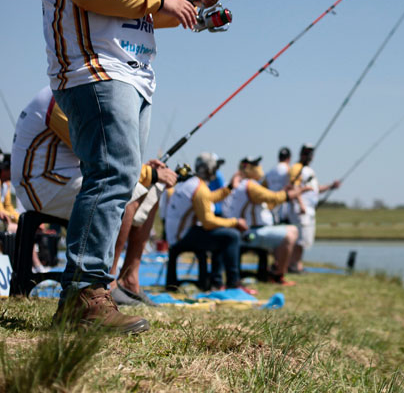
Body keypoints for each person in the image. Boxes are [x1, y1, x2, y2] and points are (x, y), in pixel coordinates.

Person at [39, 0, 228, 332]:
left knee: (119, 179)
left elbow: (134, 8)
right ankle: (83, 296)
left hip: (131, 74)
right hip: (93, 71)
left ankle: (87, 295)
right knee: (112, 176)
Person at [10, 86, 177, 304]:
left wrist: (147, 173)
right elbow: (98, 152)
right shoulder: (62, 98)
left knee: (152, 188)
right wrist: (151, 173)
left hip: (62, 181)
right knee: (123, 190)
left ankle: (130, 279)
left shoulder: (77, 93)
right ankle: (109, 281)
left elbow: (104, 156)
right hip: (42, 187)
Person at [163, 152, 251, 292]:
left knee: (220, 236)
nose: (216, 172)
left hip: (175, 235)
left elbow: (208, 198)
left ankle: (216, 282)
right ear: (209, 169)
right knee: (231, 236)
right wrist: (235, 222)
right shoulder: (200, 188)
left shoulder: (191, 183)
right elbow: (208, 222)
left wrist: (230, 187)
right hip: (182, 237)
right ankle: (233, 283)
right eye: (215, 169)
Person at [226, 156, 301, 285]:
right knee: (290, 234)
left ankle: (275, 270)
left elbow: (268, 203)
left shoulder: (248, 185)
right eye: (255, 165)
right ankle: (278, 275)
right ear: (247, 168)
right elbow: (275, 198)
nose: (259, 167)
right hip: (249, 233)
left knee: (290, 231)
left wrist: (283, 192)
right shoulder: (250, 186)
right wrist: (297, 192)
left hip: (252, 230)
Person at [286, 144, 340, 273]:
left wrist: (331, 186)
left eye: (310, 153)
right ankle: (293, 265)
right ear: (301, 154)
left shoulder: (310, 170)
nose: (308, 156)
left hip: (309, 210)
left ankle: (296, 264)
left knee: (305, 240)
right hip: (300, 210)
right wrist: (301, 205)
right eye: (306, 153)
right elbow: (294, 187)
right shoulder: (297, 168)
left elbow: (315, 189)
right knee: (299, 239)